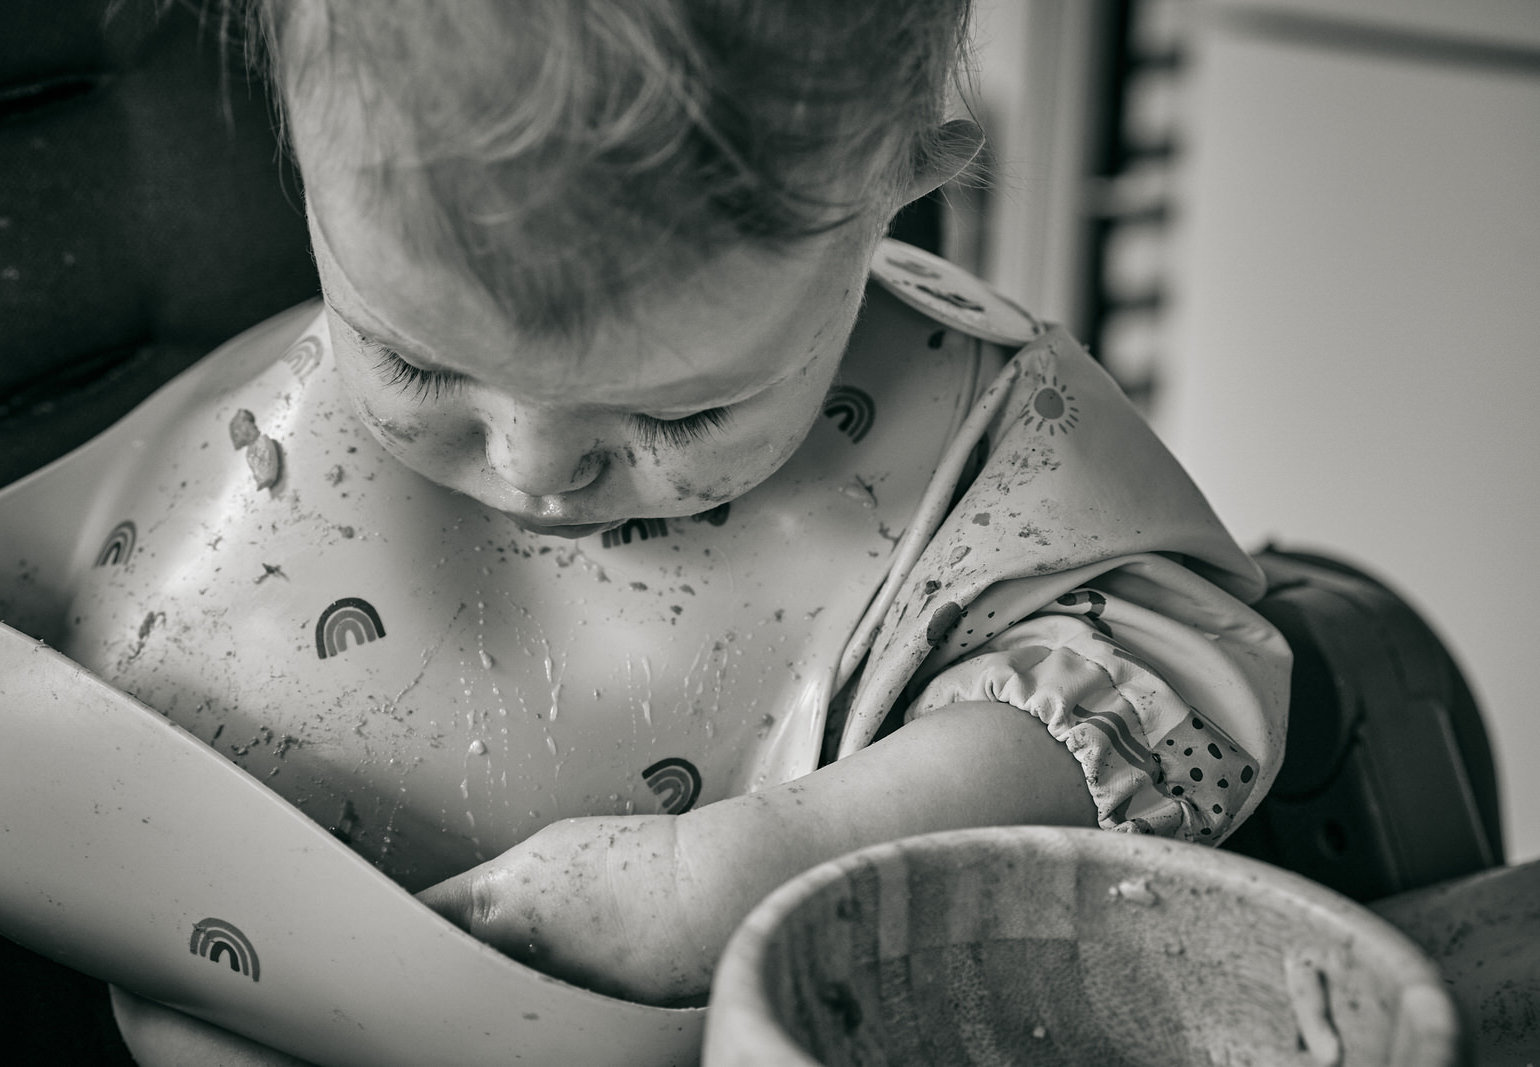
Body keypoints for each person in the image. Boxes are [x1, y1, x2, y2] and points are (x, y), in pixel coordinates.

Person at [68, 0, 1289, 1060]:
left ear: (893, 192)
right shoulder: (273, 449)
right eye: (417, 364)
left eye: (680, 412)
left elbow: (1178, 692)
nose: (536, 469)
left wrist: (755, 867)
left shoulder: (975, 429)